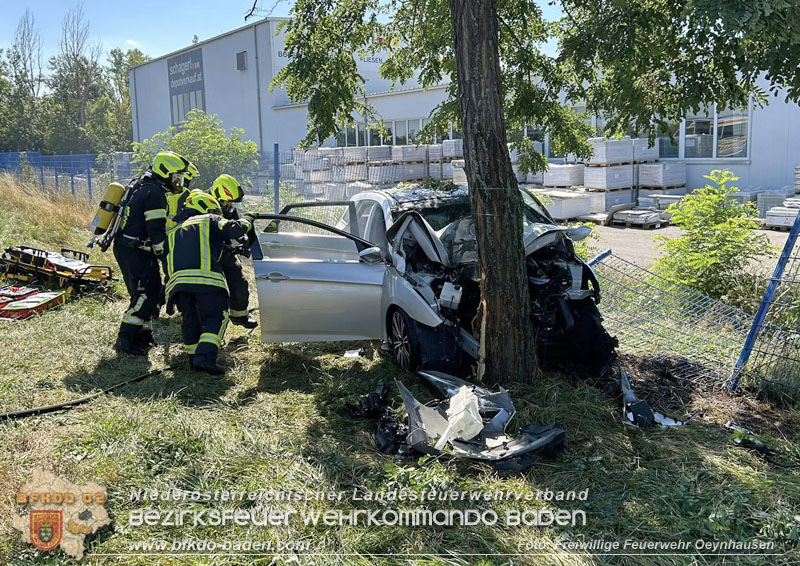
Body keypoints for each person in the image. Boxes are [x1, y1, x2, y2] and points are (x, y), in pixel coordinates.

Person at [166, 190, 255, 374]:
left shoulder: (174, 231)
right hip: (206, 281)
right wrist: (249, 217)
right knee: (218, 316)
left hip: (178, 286)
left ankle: (194, 359)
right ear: (207, 208)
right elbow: (235, 229)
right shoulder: (209, 219)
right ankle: (205, 358)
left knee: (190, 321)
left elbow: (167, 262)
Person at [113, 151, 188, 355]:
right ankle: (125, 340)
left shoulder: (142, 186)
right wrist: (166, 254)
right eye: (176, 176)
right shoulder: (154, 193)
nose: (178, 181)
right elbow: (155, 229)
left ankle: (144, 337)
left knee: (148, 292)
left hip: (129, 248)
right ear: (165, 172)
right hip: (136, 250)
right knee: (145, 294)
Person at [209, 174, 258, 329]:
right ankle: (208, 321)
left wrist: (242, 240)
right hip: (206, 253)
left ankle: (239, 316)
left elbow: (236, 227)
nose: (229, 206)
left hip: (224, 252)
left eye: (231, 203)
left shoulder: (228, 208)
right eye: (227, 202)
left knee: (239, 281)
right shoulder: (202, 205)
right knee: (211, 288)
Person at [166, 161, 198, 230]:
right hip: (174, 233)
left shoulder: (168, 188)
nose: (193, 182)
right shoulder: (186, 193)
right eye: (193, 179)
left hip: (161, 231)